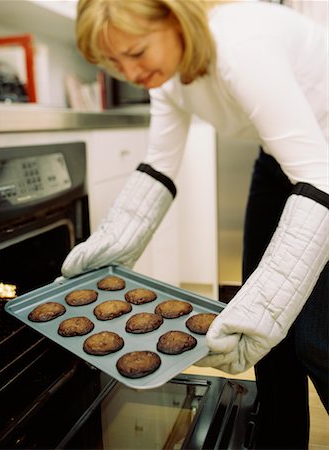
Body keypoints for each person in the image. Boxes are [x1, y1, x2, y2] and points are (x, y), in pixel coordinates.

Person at [61, 1, 328, 448]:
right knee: (270, 342)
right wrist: (109, 245)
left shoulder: (240, 46)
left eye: (137, 52)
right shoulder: (165, 72)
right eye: (113, 62)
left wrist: (269, 306)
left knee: (316, 338)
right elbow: (159, 166)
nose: (129, 72)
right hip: (281, 157)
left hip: (324, 159)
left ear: (174, 19)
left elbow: (320, 178)